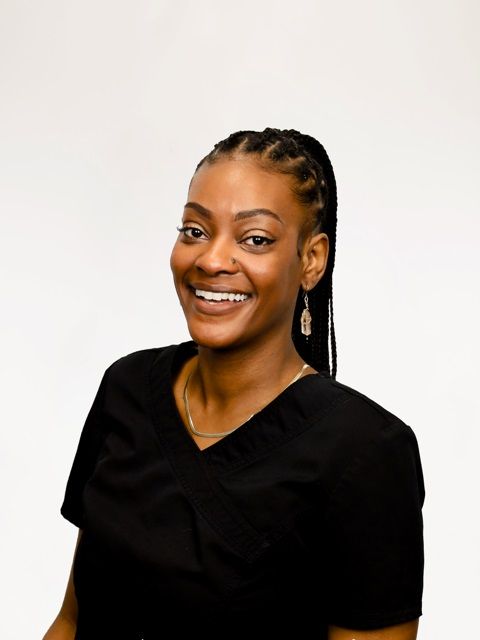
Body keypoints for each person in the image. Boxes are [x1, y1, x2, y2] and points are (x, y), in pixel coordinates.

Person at [43, 128, 425, 640]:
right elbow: (71, 623)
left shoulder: (365, 451)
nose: (212, 260)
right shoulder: (128, 388)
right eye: (195, 230)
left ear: (311, 259)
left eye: (255, 239)